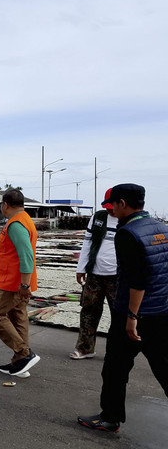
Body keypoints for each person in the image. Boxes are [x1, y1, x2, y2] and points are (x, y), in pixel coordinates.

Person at [78, 184, 168, 433]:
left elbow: (137, 279)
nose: (112, 210)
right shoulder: (162, 228)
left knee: (115, 368)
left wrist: (131, 317)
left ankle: (110, 418)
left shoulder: (128, 233)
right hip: (161, 312)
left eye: (114, 205)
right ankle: (110, 416)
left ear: (123, 203)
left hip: (134, 314)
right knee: (163, 366)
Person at [0, 189, 40, 377]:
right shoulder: (24, 219)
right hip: (15, 281)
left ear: (5, 205)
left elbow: (26, 256)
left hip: (13, 283)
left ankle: (23, 353)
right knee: (18, 316)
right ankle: (20, 364)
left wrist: (24, 285)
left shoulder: (16, 224)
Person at [70, 188, 118, 360]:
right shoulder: (98, 218)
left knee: (119, 315)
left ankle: (117, 351)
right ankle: (85, 348)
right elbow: (87, 243)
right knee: (88, 311)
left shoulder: (128, 221)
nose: (109, 210)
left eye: (112, 206)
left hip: (117, 277)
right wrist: (81, 268)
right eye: (107, 206)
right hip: (94, 274)